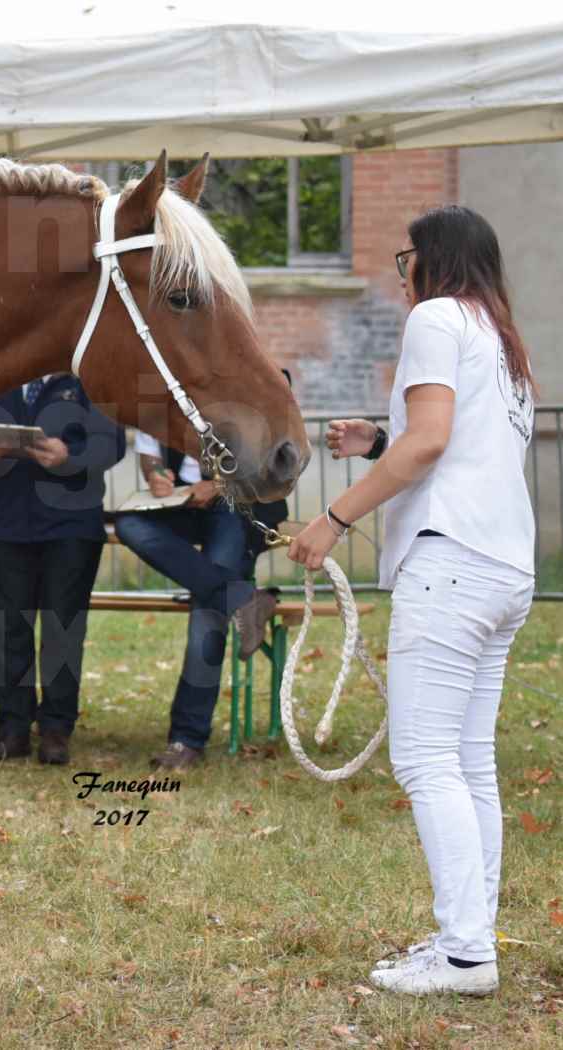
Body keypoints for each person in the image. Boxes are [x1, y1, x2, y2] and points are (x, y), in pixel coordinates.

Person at [289, 206, 536, 997]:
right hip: (502, 565)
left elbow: (431, 444)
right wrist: (379, 441)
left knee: (428, 761)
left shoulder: (434, 318)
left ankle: (464, 953)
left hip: (451, 563)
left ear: (430, 261)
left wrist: (333, 517)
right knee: (466, 762)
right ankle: (469, 937)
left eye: (405, 260)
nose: (402, 276)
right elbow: (446, 441)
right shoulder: (498, 337)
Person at [0, 374, 125, 765]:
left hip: (72, 529)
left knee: (62, 630)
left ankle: (55, 729)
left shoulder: (86, 382)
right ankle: (11, 728)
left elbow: (112, 445)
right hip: (10, 527)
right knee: (11, 628)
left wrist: (70, 457)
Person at [113, 430, 286, 769]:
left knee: (208, 609)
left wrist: (221, 484)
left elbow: (271, 461)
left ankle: (187, 739)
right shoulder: (161, 392)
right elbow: (150, 451)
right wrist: (155, 475)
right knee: (130, 523)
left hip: (237, 507)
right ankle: (243, 597)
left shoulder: (242, 385)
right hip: (181, 504)